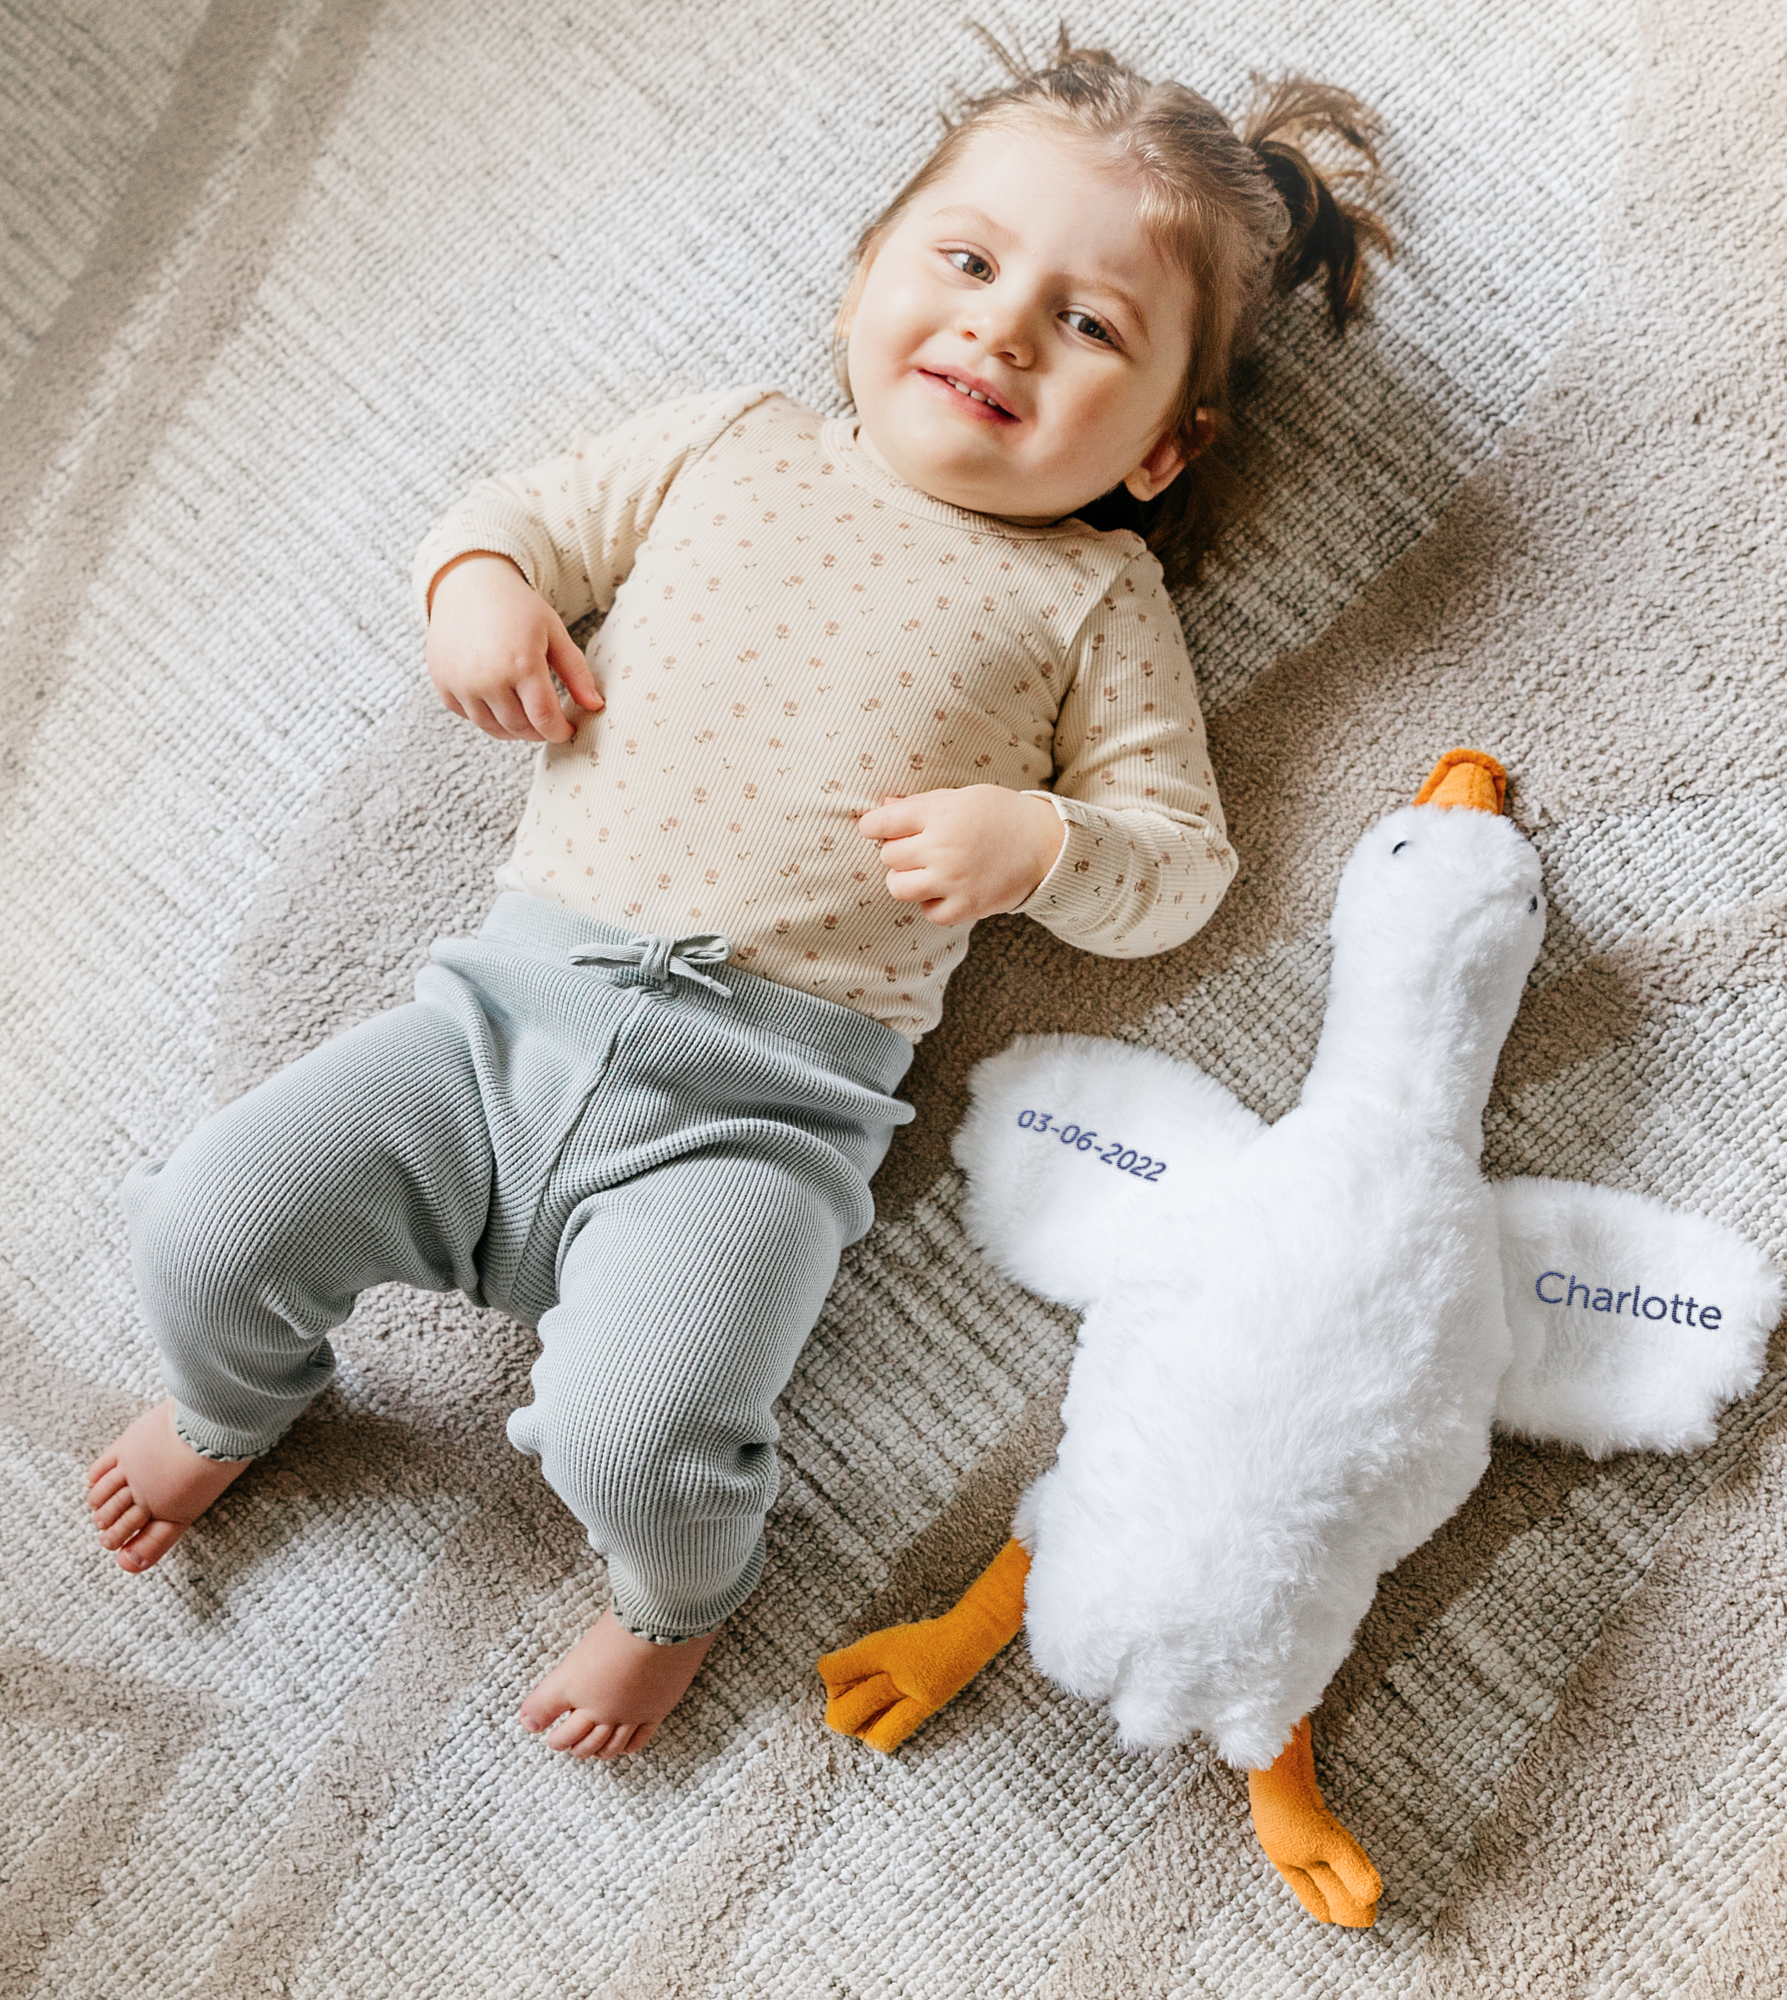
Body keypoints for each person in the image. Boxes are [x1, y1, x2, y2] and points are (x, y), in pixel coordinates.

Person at [84, 33, 1387, 1761]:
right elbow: (517, 519)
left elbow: (1184, 871)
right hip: (487, 1032)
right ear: (865, 273)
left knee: (651, 1433)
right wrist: (476, 593)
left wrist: (1045, 843)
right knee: (213, 1219)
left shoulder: (1093, 602)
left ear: (1162, 449)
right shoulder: (732, 442)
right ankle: (238, 1393)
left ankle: (670, 1599)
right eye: (971, 261)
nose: (1002, 328)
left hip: (751, 1125)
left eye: (1089, 327)